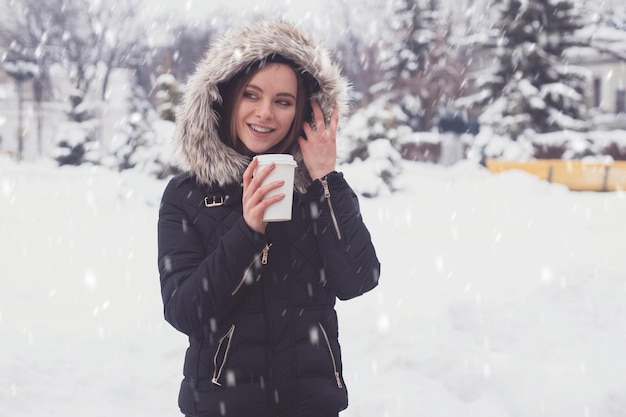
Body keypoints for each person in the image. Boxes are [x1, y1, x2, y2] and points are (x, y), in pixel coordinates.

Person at [157, 20, 381, 417]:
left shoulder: (315, 187)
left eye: (283, 101)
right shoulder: (188, 194)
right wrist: (248, 231)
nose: (265, 113)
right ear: (225, 99)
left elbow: (358, 279)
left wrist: (327, 178)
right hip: (223, 407)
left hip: (311, 407)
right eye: (251, 95)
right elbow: (185, 312)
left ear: (303, 111)